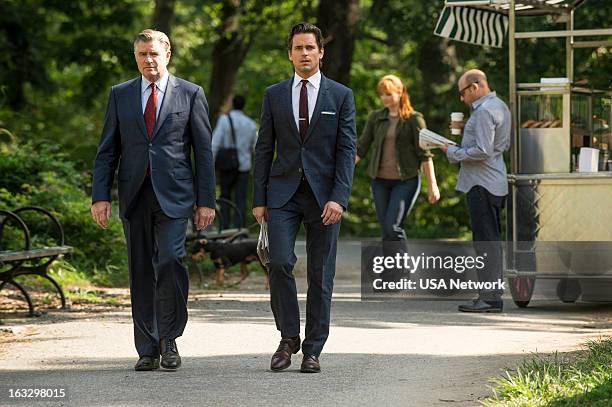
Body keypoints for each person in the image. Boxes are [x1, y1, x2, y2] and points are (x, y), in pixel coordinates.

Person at [90, 29, 216, 370]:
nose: (148, 60)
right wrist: (100, 196)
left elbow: (203, 152)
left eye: (154, 54)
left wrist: (207, 200)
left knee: (171, 261)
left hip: (175, 196)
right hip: (134, 196)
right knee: (140, 270)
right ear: (136, 57)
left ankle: (169, 338)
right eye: (142, 54)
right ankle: (146, 347)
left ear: (167, 55)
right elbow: (107, 151)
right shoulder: (121, 95)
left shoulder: (190, 94)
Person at [252, 22, 356, 373]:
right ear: (290, 53)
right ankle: (288, 338)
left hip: (325, 198)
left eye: (310, 47)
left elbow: (346, 151)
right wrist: (258, 198)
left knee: (320, 273)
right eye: (298, 48)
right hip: (282, 194)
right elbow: (263, 148)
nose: (305, 53)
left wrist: (339, 197)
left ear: (321, 52)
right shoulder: (274, 94)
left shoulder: (340, 96)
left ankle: (312, 349)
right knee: (279, 262)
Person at [440, 69, 510, 313]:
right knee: (490, 239)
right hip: (494, 180)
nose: (462, 99)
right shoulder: (499, 106)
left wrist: (452, 151)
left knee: (485, 241)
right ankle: (491, 294)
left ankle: (490, 297)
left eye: (462, 93)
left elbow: (482, 150)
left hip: (481, 183)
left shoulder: (484, 112)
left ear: (475, 86)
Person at [355, 74, 439, 241]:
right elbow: (361, 149)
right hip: (379, 181)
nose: (384, 98)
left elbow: (425, 155)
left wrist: (432, 185)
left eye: (388, 94)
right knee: (386, 231)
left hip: (406, 181)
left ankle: (403, 268)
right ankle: (392, 267)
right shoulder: (376, 117)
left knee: (393, 227)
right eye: (382, 94)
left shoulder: (414, 120)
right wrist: (341, 171)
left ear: (400, 93)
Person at [212, 95, 258, 229]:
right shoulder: (250, 123)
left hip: (226, 166)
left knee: (225, 197)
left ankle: (225, 227)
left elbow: (215, 143)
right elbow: (256, 147)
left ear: (232, 104)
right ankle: (240, 228)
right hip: (243, 166)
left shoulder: (224, 120)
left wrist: (210, 164)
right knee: (240, 199)